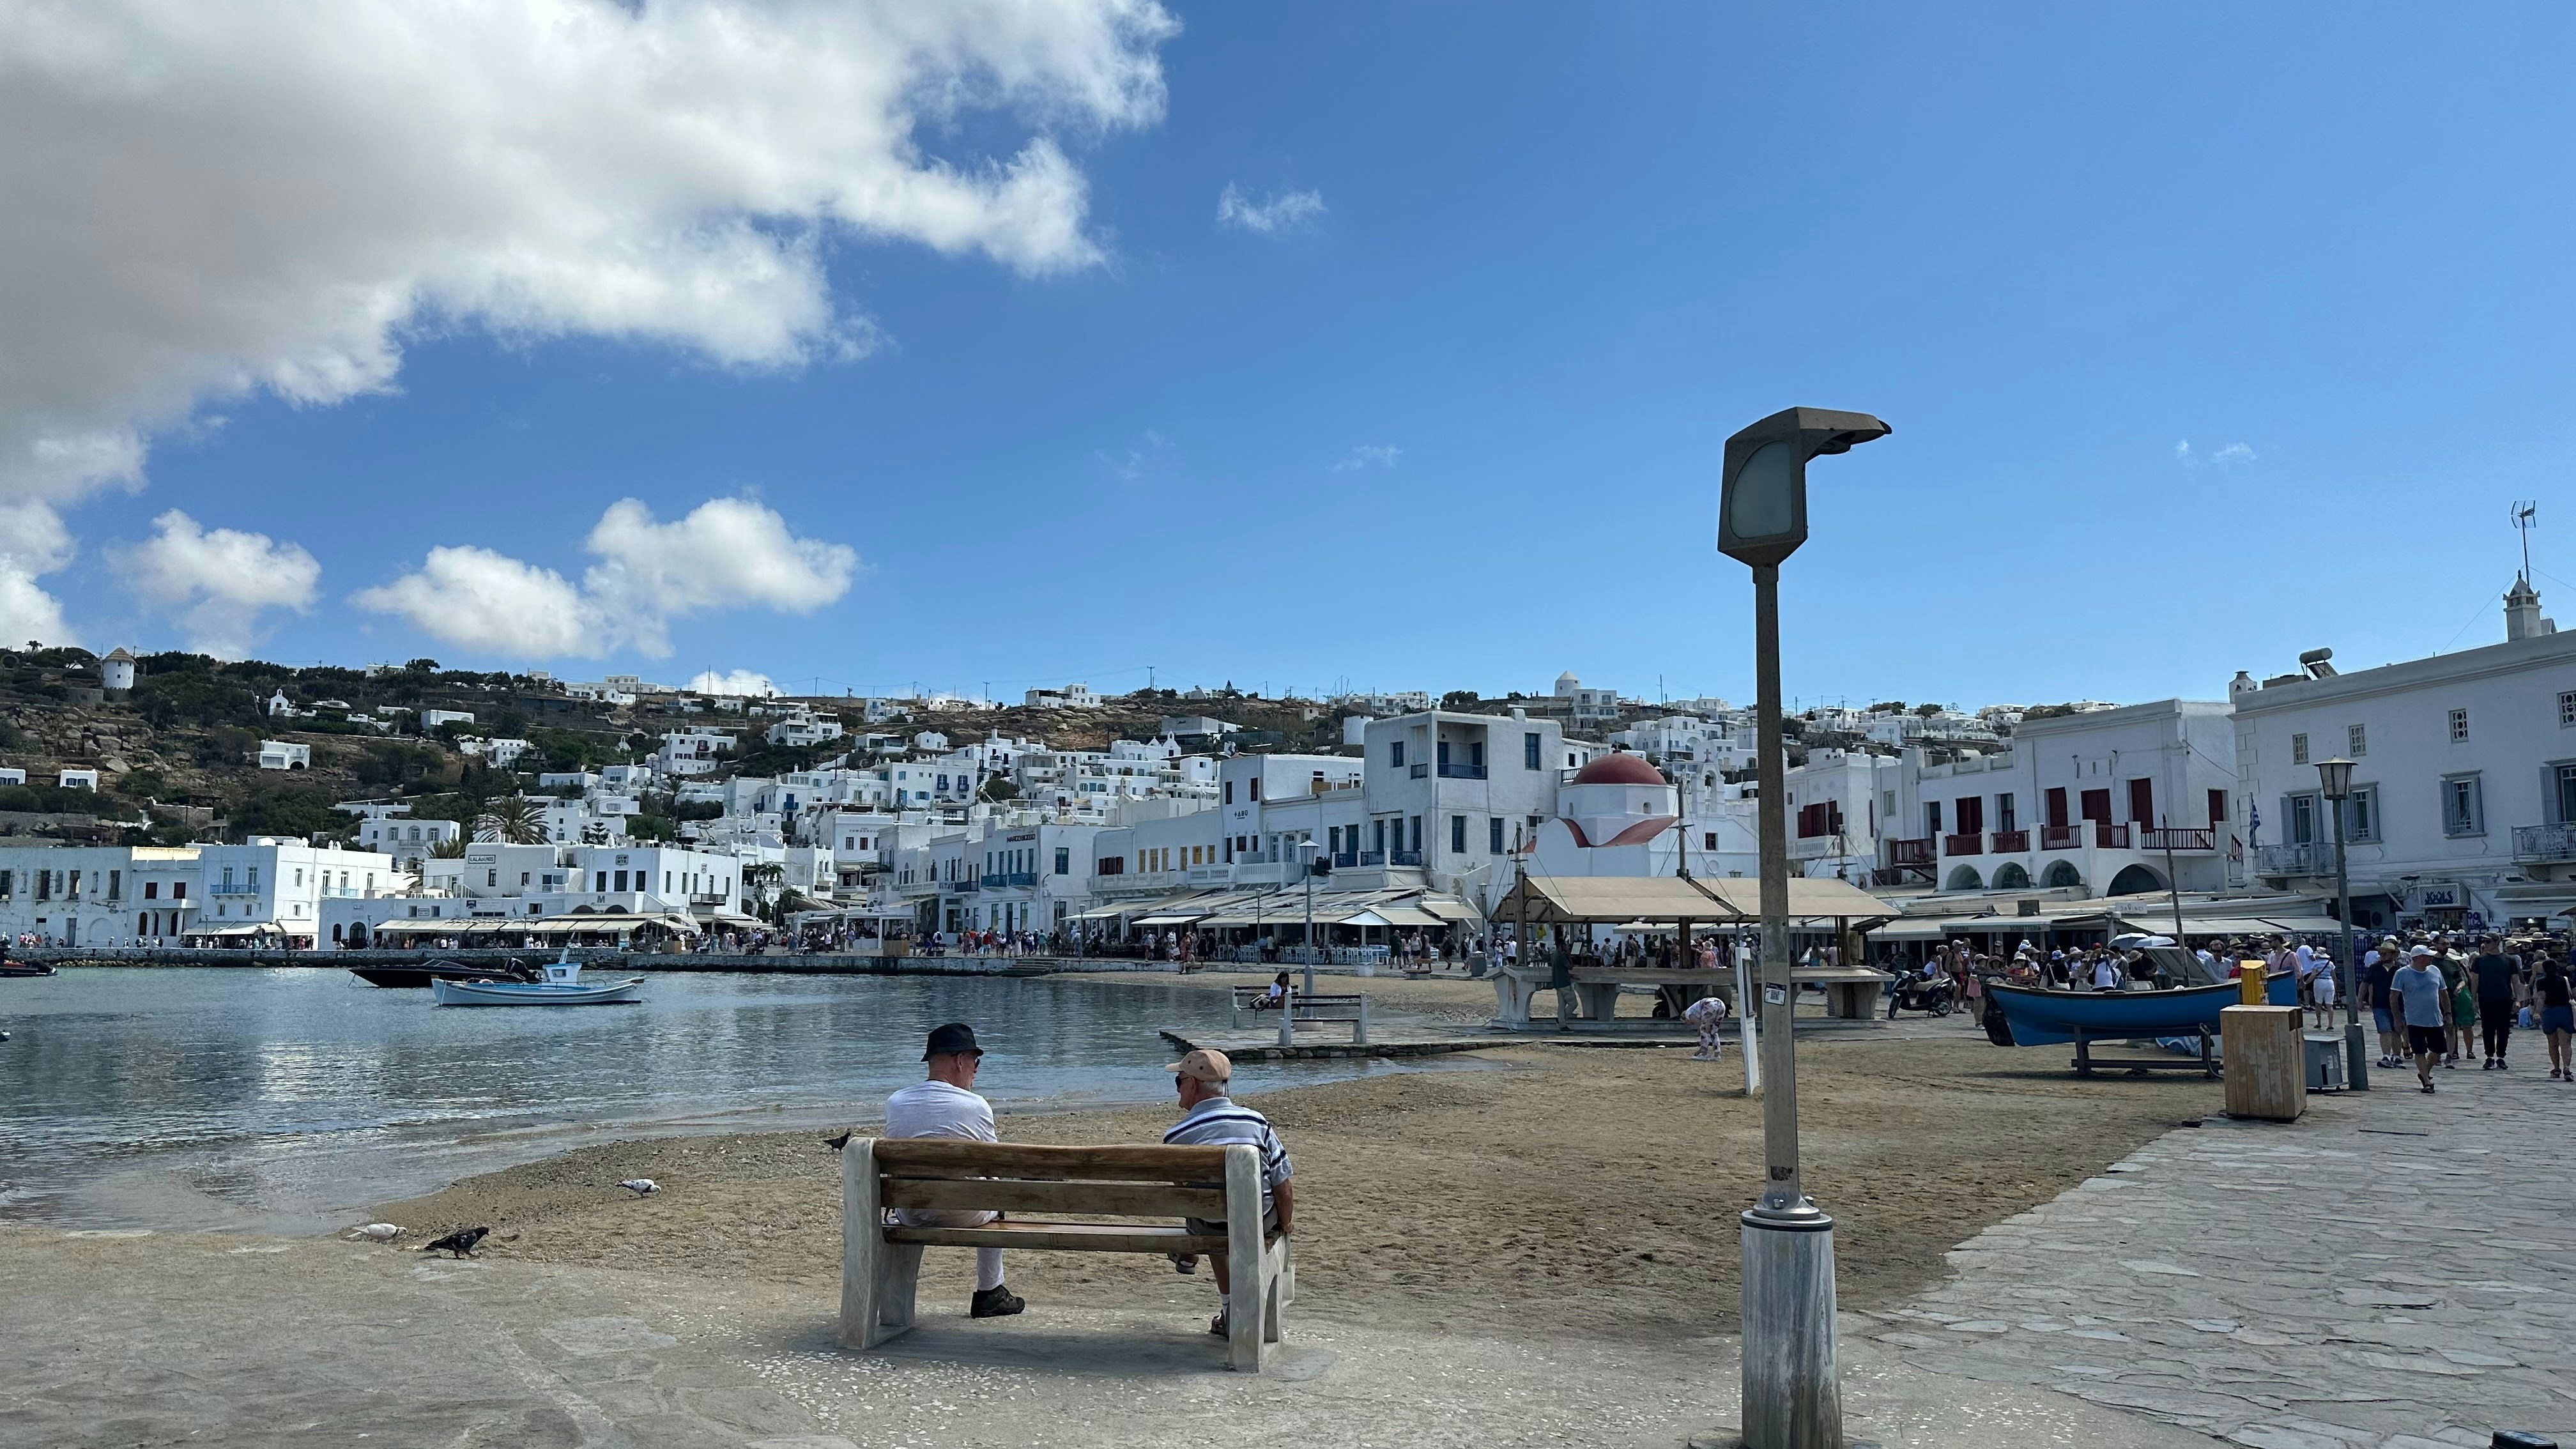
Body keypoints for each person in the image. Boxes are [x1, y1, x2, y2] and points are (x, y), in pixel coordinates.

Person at [884, 1022, 1024, 1319]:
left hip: (912, 1211)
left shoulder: (896, 1103)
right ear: (960, 1060)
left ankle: (895, 1302)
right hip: (961, 1212)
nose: (976, 1070)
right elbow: (993, 1165)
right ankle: (991, 1292)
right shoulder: (976, 1105)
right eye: (976, 1061)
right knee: (996, 1195)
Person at [1160, 1049, 1294, 1338]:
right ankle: (1192, 1254)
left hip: (1210, 1223)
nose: (1179, 1089)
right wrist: (1285, 1222)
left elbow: (1181, 1193)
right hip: (1260, 1219)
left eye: (1179, 1082)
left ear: (1193, 1085)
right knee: (1226, 1214)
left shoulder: (1177, 1136)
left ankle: (1228, 1306)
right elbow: (1282, 1179)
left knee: (1211, 1220)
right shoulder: (1257, 1123)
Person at [2390, 947, 2450, 1094]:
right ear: (2418, 958)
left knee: (2437, 1051)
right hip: (2414, 1020)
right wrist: (2397, 1018)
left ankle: (2425, 1071)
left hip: (2435, 1019)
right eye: (2427, 956)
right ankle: (2427, 1082)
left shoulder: (2435, 971)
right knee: (2420, 1051)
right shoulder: (2402, 974)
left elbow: (2444, 993)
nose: (2431, 959)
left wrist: (2448, 1013)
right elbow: (2393, 997)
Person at [2469, 937, 2522, 1069]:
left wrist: (2518, 1000)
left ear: (2497, 942)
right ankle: (2489, 1056)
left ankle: (2501, 1056)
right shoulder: (2480, 960)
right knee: (2487, 1028)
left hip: (2504, 997)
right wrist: (2474, 999)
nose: (2485, 944)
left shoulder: (2509, 960)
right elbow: (2475, 980)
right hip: (2486, 997)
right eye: (2484, 942)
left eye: (2488, 942)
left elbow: (2515, 980)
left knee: (2503, 1029)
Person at [2535, 952, 2575, 1080]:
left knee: (2552, 1043)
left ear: (2544, 970)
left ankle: (2556, 1068)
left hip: (2549, 1012)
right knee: (2566, 1043)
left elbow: (2541, 998)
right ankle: (2567, 1069)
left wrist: (2537, 1012)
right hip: (2564, 1011)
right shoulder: (2567, 980)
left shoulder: (2541, 982)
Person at [2363, 940, 2403, 1069]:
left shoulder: (2400, 970)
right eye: (2381, 953)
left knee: (2397, 1030)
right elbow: (2366, 984)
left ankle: (2397, 1056)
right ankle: (2386, 1055)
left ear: (2393, 954)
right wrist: (2360, 1000)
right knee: (2385, 1030)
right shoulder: (2374, 969)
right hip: (2379, 1004)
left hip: (2398, 1005)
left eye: (2386, 953)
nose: (2383, 955)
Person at [1683, 992, 1731, 1061]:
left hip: (1710, 1005)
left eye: (1686, 1023)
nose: (1689, 1024)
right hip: (1721, 1005)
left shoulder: (1688, 1014)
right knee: (1714, 1031)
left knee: (1704, 1030)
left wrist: (1700, 1030)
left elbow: (1701, 1024)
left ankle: (1704, 1054)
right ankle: (1717, 1054)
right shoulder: (1694, 1009)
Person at [2308, 952, 2337, 1029]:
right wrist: (2336, 984)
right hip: (2329, 982)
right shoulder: (2330, 963)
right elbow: (2333, 975)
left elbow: (2313, 974)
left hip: (2319, 982)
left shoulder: (2315, 964)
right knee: (2329, 1005)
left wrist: (2306, 982)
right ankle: (2330, 1025)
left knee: (2318, 1003)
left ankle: (2319, 1023)